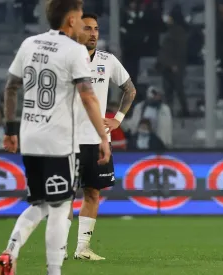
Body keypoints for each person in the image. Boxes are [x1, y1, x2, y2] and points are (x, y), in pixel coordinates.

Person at [0, 1, 111, 274]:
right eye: (81, 17)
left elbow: (11, 87)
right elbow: (87, 95)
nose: (83, 23)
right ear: (71, 20)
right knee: (61, 207)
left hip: (30, 138)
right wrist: (102, 137)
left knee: (41, 203)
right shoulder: (74, 51)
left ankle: (10, 250)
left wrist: (11, 130)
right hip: (59, 141)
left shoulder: (29, 44)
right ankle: (54, 270)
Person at [66, 12, 136, 261]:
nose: (93, 33)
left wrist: (117, 119)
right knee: (65, 196)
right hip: (68, 140)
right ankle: (59, 248)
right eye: (88, 28)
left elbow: (129, 89)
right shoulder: (65, 60)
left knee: (93, 192)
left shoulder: (108, 60)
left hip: (97, 140)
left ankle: (82, 248)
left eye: (96, 29)